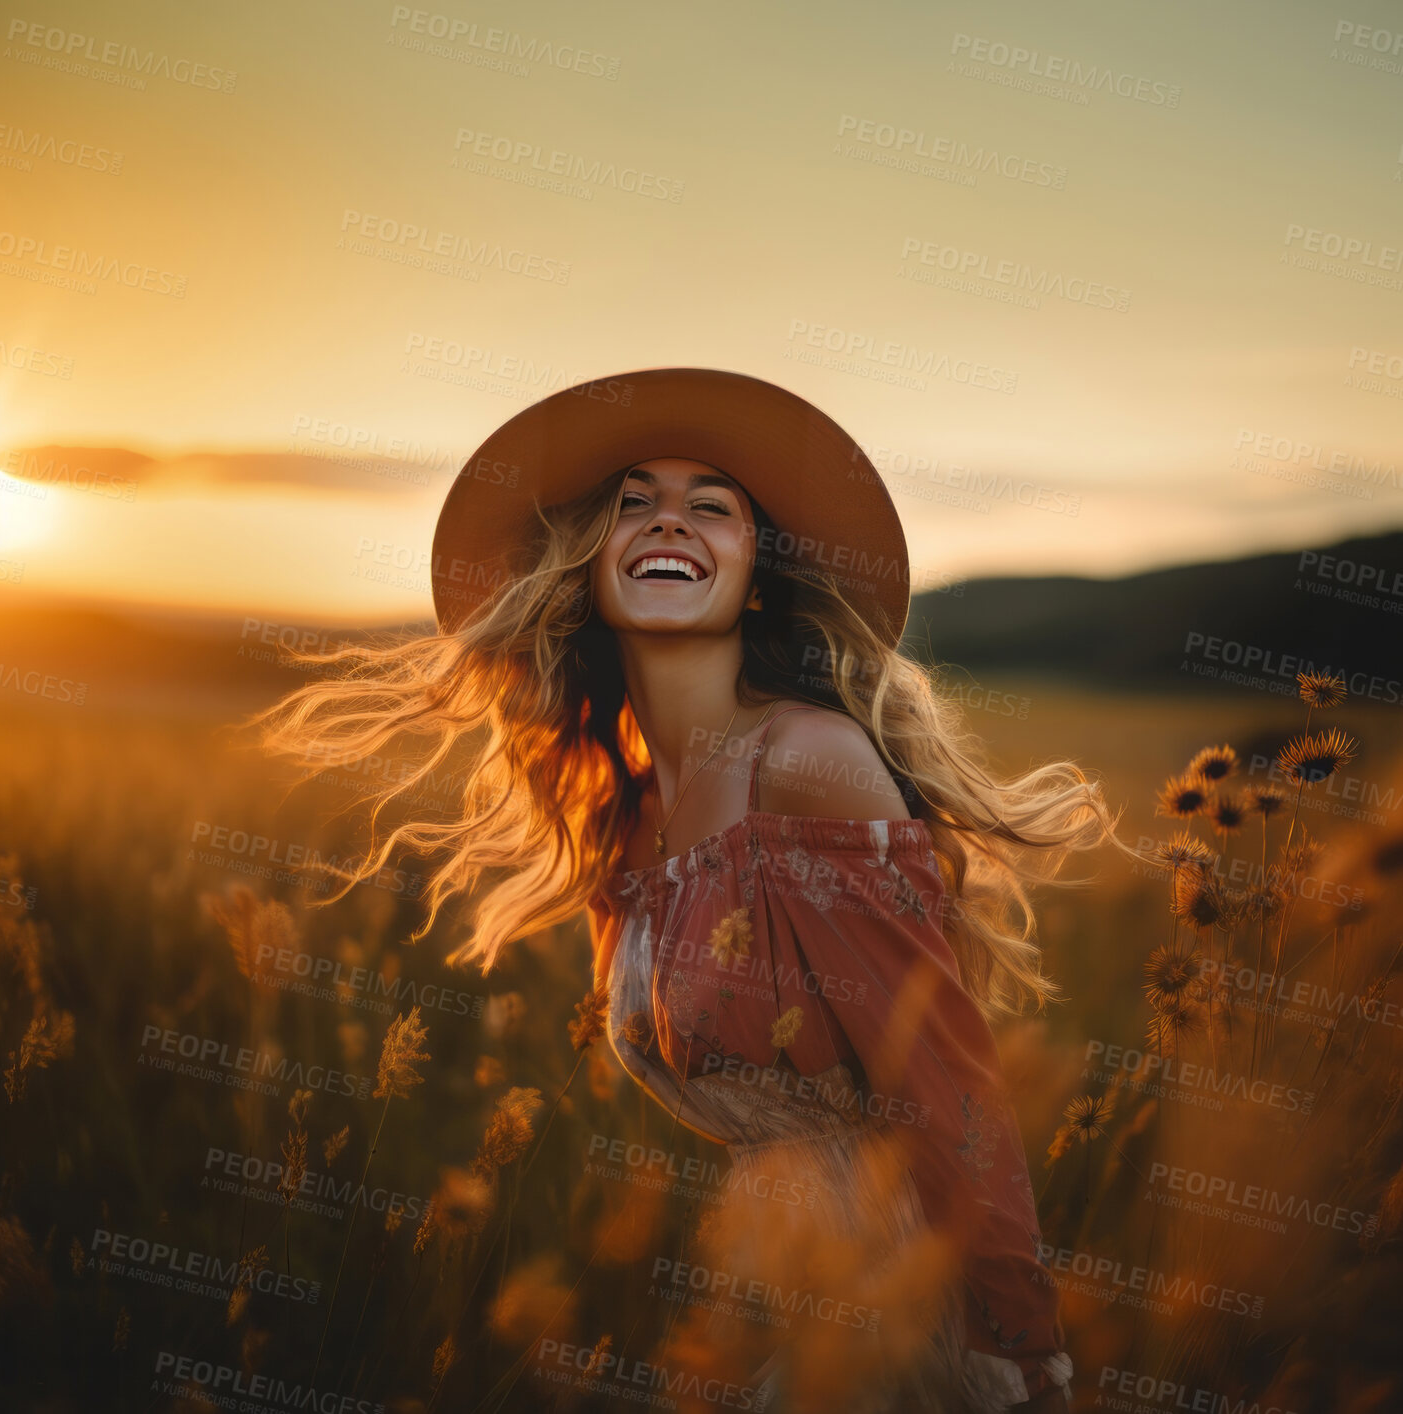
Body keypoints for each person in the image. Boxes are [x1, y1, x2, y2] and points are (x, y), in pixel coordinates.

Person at [258, 368, 1126, 1412]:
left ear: (755, 576)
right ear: (584, 566)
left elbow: (946, 1083)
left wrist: (1019, 1356)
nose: (669, 520)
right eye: (634, 503)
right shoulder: (621, 823)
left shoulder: (805, 760)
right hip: (765, 1283)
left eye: (712, 506)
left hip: (886, 1290)